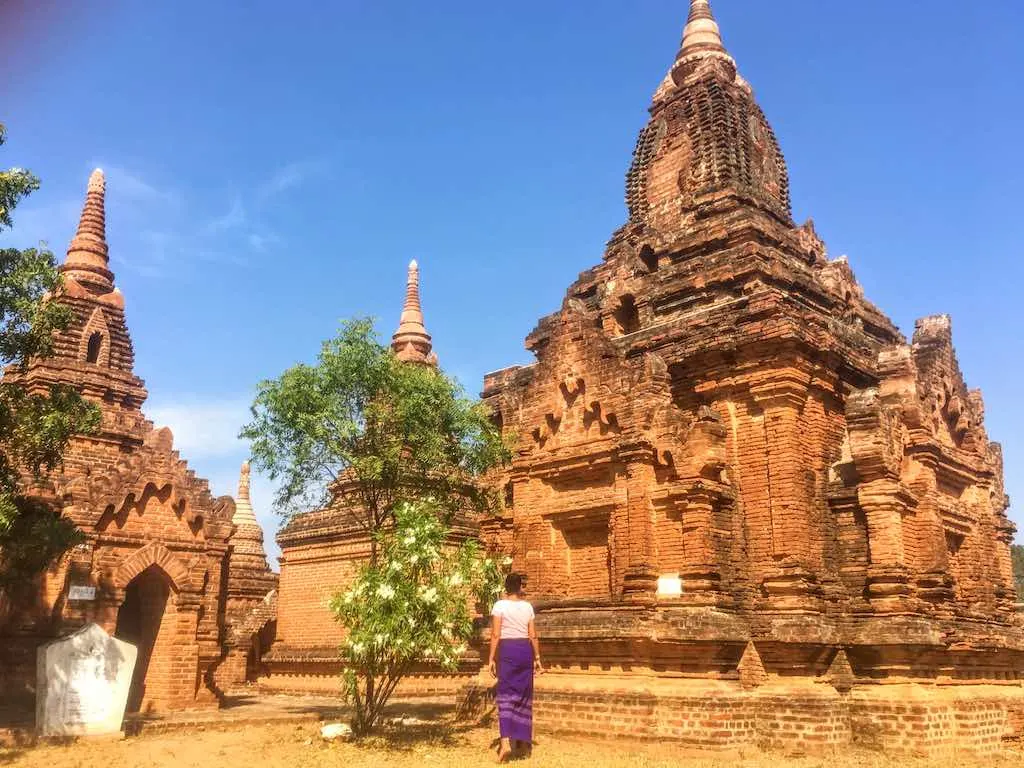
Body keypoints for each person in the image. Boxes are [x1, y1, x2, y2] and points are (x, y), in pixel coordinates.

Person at [488, 572, 542, 762]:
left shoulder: (499, 606)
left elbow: (495, 634)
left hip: (508, 651)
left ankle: (504, 743)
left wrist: (491, 658)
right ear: (520, 587)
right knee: (523, 696)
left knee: (505, 695)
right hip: (524, 651)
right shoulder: (527, 607)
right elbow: (533, 635)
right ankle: (524, 744)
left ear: (505, 587)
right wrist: (537, 657)